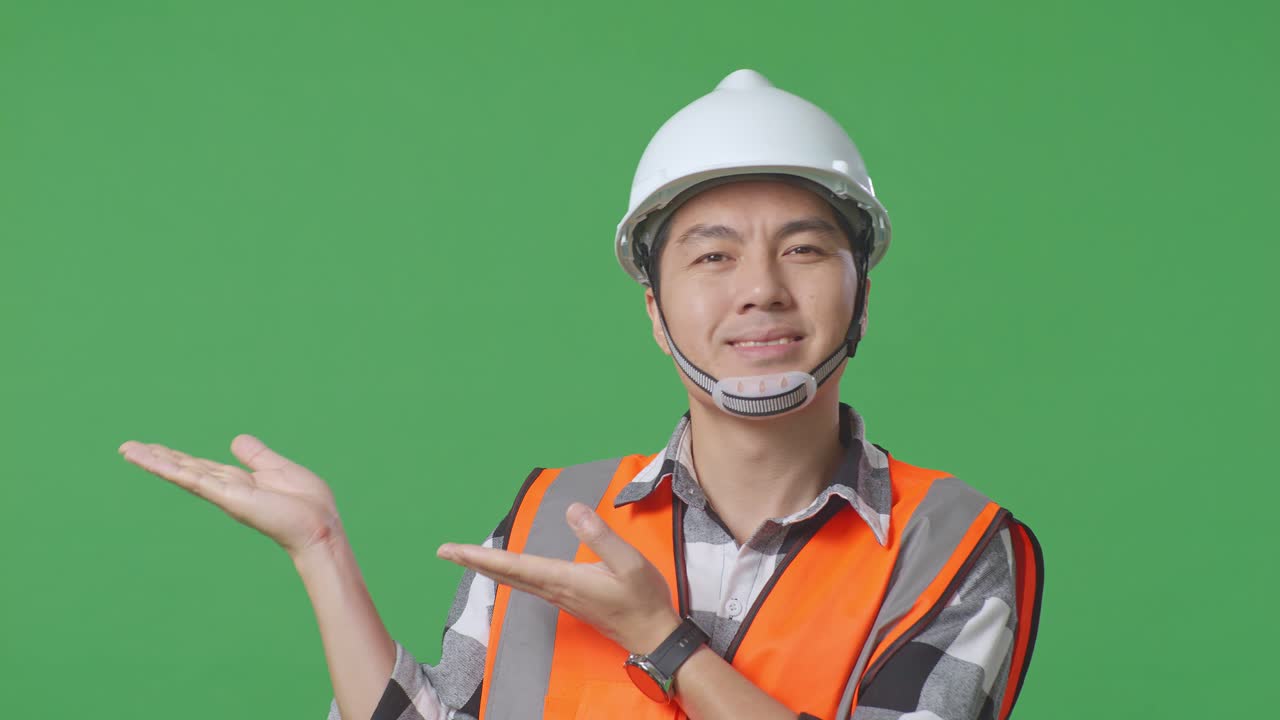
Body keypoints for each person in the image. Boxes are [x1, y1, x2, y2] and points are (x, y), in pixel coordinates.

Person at [118, 69, 1043, 720]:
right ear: (654, 307)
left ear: (864, 295)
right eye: (712, 256)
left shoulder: (951, 546)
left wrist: (659, 637)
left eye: (803, 249)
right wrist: (322, 554)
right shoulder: (548, 522)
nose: (760, 288)